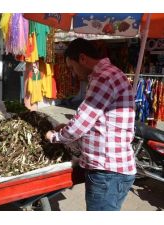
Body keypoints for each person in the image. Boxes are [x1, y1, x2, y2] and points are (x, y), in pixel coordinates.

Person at [45, 38, 136, 211]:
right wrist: (66, 125)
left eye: (71, 67)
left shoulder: (104, 78)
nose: (72, 73)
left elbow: (81, 123)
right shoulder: (109, 74)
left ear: (82, 58)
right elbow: (97, 118)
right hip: (112, 170)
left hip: (107, 171)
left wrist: (54, 137)